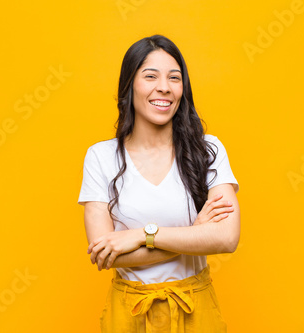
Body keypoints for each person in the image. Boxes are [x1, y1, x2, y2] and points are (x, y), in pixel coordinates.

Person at [78, 34, 240, 332]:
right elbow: (106, 256)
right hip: (129, 314)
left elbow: (226, 238)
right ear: (130, 86)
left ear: (183, 88)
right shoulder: (100, 157)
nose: (164, 87)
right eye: (150, 75)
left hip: (196, 310)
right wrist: (195, 234)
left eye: (174, 78)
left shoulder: (208, 150)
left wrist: (142, 236)